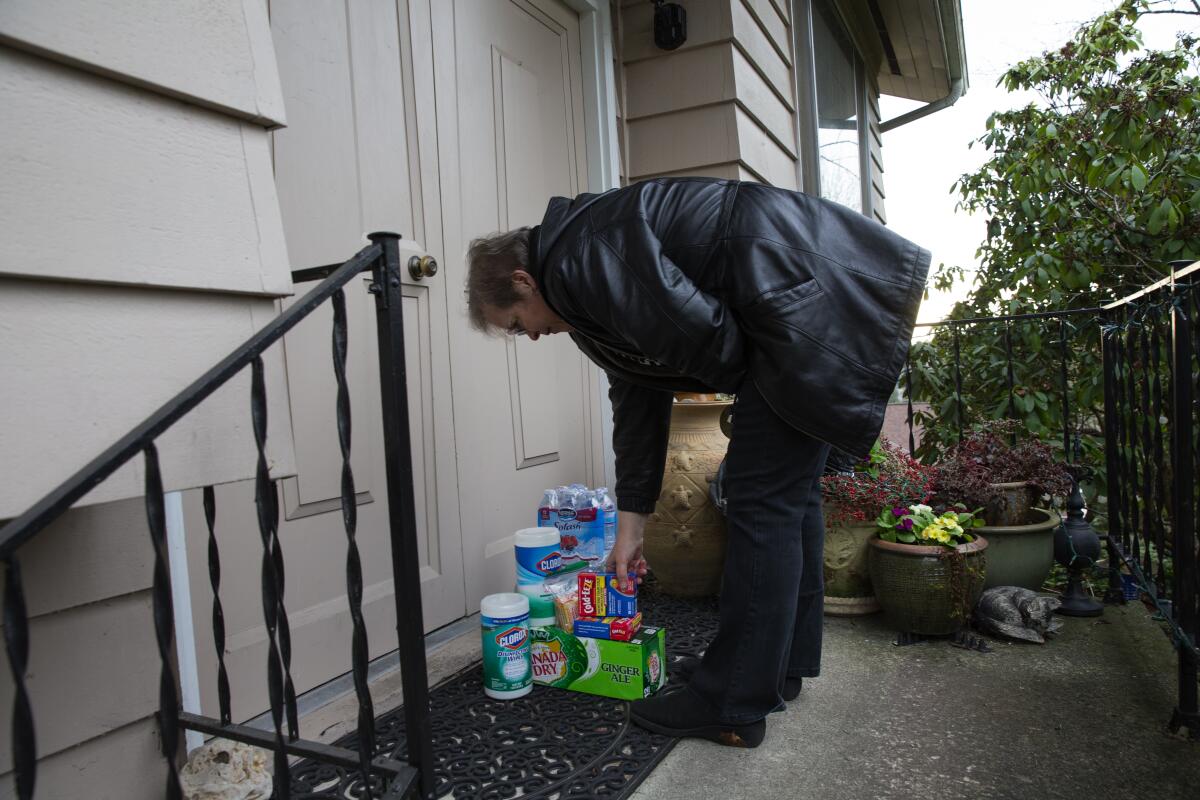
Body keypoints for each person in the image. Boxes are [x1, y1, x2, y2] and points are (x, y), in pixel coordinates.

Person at [466, 178, 929, 748]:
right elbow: (637, 394)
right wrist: (631, 527)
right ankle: (775, 667)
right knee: (788, 499)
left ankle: (732, 701)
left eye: (516, 323)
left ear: (521, 280)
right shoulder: (580, 273)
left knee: (762, 501)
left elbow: (706, 338)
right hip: (806, 312)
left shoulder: (581, 257)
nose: (529, 336)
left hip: (802, 310)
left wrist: (757, 408)